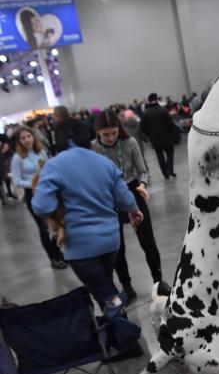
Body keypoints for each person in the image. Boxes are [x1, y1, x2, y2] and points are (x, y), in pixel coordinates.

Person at [31, 119, 143, 311]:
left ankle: (126, 334)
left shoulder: (54, 166)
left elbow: (42, 206)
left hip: (80, 247)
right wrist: (135, 211)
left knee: (106, 295)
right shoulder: (104, 162)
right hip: (110, 241)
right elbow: (125, 198)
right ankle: (118, 324)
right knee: (106, 287)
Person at [93, 109, 170, 304]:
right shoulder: (93, 148)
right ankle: (127, 287)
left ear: (119, 129)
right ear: (98, 133)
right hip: (109, 198)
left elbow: (143, 170)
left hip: (133, 192)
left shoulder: (130, 143)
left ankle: (158, 282)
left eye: (114, 133)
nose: (110, 138)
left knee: (148, 243)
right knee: (116, 248)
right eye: (105, 134)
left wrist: (142, 186)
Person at [11, 126, 66, 269]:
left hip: (48, 192)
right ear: (19, 141)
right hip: (32, 195)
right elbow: (16, 181)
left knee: (56, 223)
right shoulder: (17, 158)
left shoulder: (41, 151)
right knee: (44, 228)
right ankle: (53, 258)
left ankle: (59, 253)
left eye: (28, 136)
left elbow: (49, 169)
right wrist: (35, 183)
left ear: (33, 137)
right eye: (23, 138)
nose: (27, 140)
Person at [140, 93, 177, 179]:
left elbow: (142, 127)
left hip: (155, 139)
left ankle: (165, 173)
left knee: (160, 156)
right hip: (167, 137)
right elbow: (171, 123)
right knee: (170, 152)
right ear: (157, 99)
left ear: (149, 101)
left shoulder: (146, 112)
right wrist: (171, 134)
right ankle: (170, 169)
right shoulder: (163, 110)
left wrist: (149, 134)